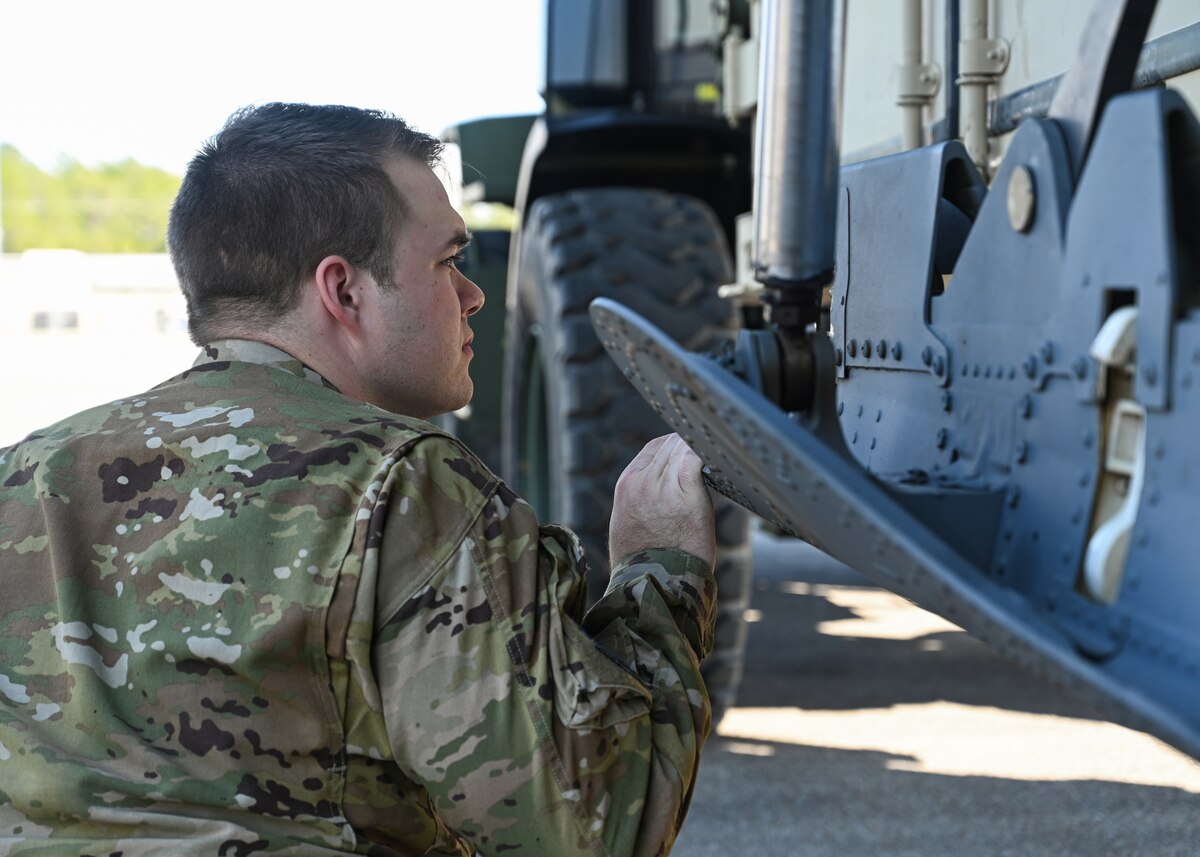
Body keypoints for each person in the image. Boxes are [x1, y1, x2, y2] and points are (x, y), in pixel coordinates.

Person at [0, 103, 717, 856]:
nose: (473, 296)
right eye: (447, 262)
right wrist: (658, 572)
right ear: (343, 291)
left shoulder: (24, 474)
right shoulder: (402, 486)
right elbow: (596, 829)